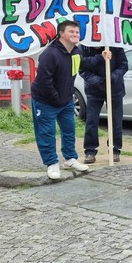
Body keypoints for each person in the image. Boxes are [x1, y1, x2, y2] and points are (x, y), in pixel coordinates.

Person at [30, 20, 89, 180]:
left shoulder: (77, 52)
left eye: (77, 32)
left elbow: (80, 67)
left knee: (69, 130)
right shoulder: (50, 54)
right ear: (61, 33)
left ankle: (70, 159)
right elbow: (44, 81)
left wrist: (103, 58)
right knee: (46, 133)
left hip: (66, 101)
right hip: (45, 101)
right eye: (71, 32)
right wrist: (56, 98)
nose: (75, 34)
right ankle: (51, 163)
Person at [80, 46, 129, 163]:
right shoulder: (84, 47)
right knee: (91, 121)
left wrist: (112, 77)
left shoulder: (114, 44)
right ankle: (90, 151)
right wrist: (97, 81)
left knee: (116, 121)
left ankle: (115, 150)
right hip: (94, 90)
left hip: (115, 89)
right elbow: (82, 68)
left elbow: (123, 65)